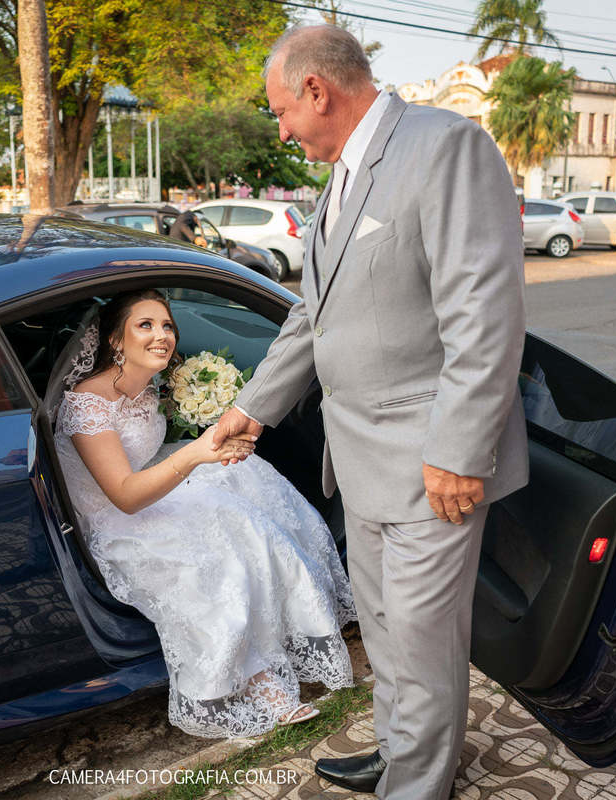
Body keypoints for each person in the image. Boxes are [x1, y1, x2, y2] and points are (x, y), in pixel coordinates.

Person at [211, 25, 527, 799]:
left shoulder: (445, 146)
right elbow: (312, 315)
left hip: (429, 461)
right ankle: (398, 750)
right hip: (359, 458)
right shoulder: (344, 175)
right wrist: (253, 409)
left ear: (318, 89)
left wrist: (459, 449)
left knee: (422, 643)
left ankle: (418, 785)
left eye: (282, 110)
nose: (280, 128)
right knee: (385, 632)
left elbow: (483, 315)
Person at [54, 289, 356, 738]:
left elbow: (149, 450)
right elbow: (125, 496)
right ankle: (259, 680)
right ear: (115, 340)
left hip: (149, 489)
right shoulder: (87, 402)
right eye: (146, 325)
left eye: (168, 326)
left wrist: (214, 442)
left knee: (250, 481)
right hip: (116, 520)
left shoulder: (150, 385)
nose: (162, 336)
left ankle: (296, 627)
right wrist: (197, 453)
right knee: (218, 557)